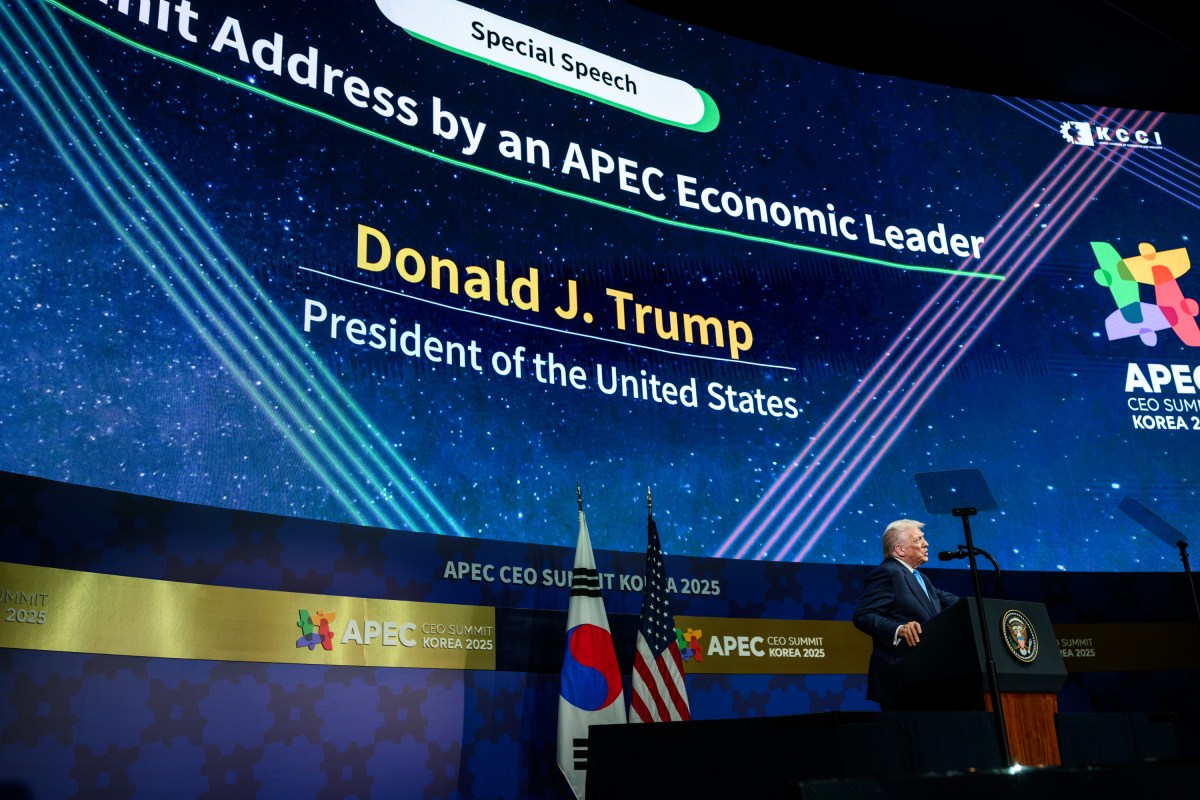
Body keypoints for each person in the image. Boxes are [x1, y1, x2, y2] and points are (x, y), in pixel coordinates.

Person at [852, 518, 959, 710]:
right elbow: (864, 615)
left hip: (926, 676)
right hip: (901, 678)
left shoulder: (921, 578)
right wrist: (899, 629)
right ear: (900, 550)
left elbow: (952, 601)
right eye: (918, 540)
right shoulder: (887, 573)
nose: (926, 544)